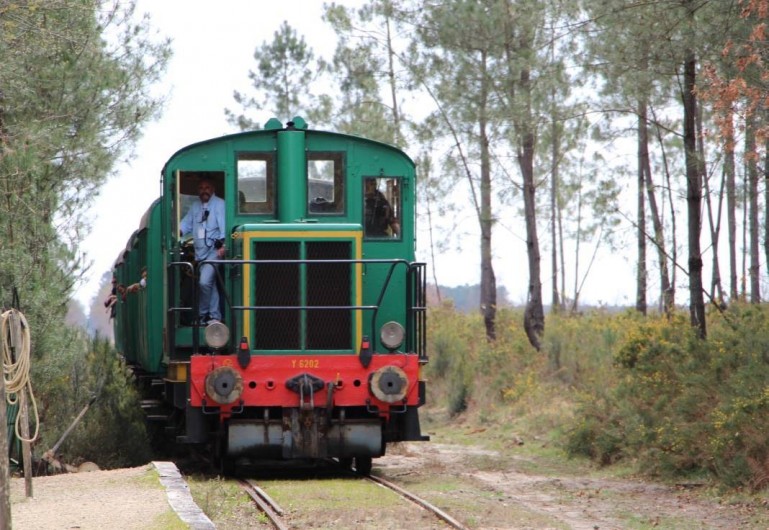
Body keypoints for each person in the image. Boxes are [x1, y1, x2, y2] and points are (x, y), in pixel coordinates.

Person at [180, 177, 226, 324]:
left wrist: (223, 245)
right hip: (200, 252)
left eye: (207, 187)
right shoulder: (195, 207)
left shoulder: (219, 204)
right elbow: (185, 224)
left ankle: (202, 314)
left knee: (204, 282)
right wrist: (177, 231)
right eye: (201, 188)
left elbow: (224, 227)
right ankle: (213, 316)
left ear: (212, 189)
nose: (204, 191)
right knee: (209, 284)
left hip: (214, 250)